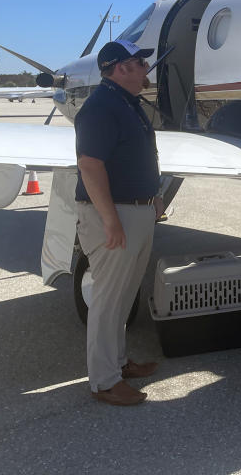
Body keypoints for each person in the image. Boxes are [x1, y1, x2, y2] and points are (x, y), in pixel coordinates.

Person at [75, 39, 164, 406]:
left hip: (136, 210)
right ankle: (104, 381)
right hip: (115, 214)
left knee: (124, 295)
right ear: (120, 68)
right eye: (139, 62)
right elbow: (90, 165)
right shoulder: (101, 107)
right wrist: (111, 221)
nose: (146, 67)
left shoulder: (126, 102)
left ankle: (119, 363)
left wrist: (153, 196)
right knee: (109, 300)